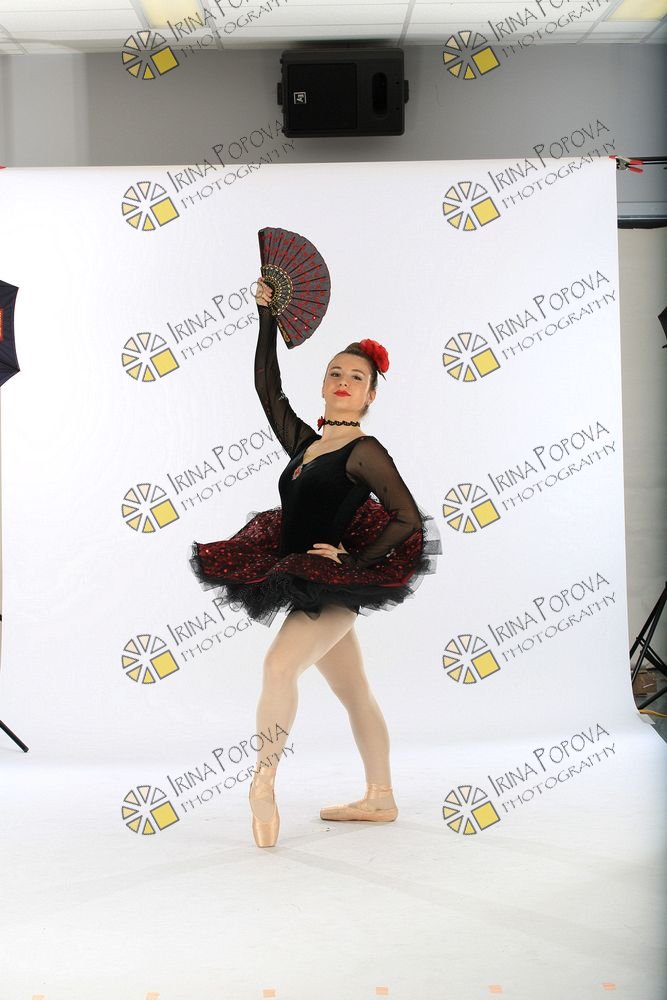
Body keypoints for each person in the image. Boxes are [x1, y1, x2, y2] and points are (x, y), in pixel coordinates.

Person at [190, 276, 441, 848]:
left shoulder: (364, 451)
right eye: (335, 373)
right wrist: (266, 320)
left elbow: (406, 516)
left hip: (332, 587)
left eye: (358, 377)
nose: (344, 382)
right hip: (301, 574)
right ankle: (381, 797)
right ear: (324, 384)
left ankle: (263, 784)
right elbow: (267, 389)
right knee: (355, 692)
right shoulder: (306, 444)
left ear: (370, 395)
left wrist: (354, 561)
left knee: (279, 667)